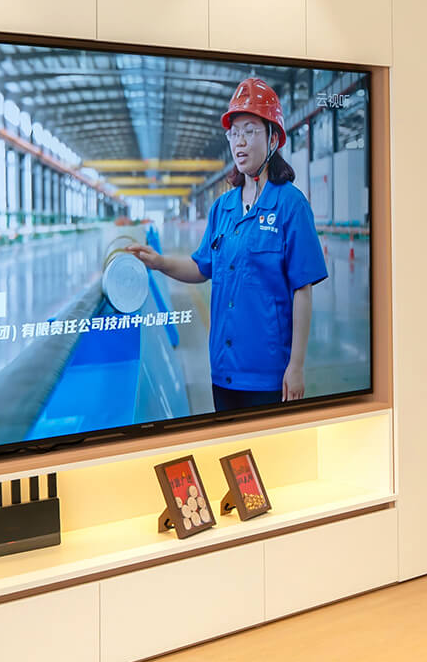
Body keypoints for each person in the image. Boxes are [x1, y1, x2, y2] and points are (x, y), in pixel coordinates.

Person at [121, 77, 327, 411]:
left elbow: (302, 290)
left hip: (269, 373)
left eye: (250, 131)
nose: (239, 142)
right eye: (234, 133)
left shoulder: (291, 205)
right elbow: (201, 267)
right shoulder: (223, 207)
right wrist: (159, 262)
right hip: (223, 369)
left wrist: (297, 365)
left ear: (273, 138)